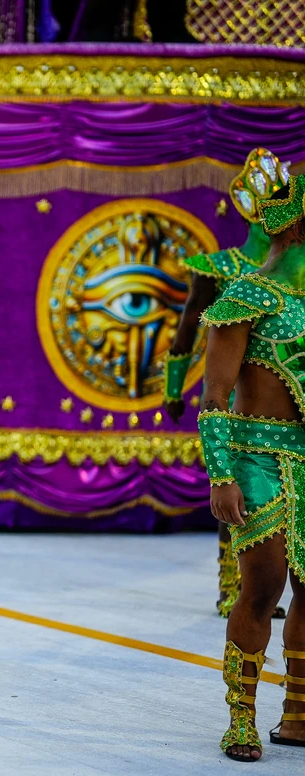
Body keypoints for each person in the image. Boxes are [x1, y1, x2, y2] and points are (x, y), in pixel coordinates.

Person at [198, 175, 305, 762]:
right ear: (292, 224)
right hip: (256, 454)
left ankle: (296, 716)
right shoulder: (247, 294)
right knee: (262, 585)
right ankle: (241, 716)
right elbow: (214, 397)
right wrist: (221, 475)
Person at [164, 148, 290, 618]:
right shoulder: (219, 269)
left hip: (282, 400)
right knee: (233, 479)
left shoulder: (294, 277)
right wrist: (173, 387)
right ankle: (229, 583)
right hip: (231, 394)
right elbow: (185, 331)